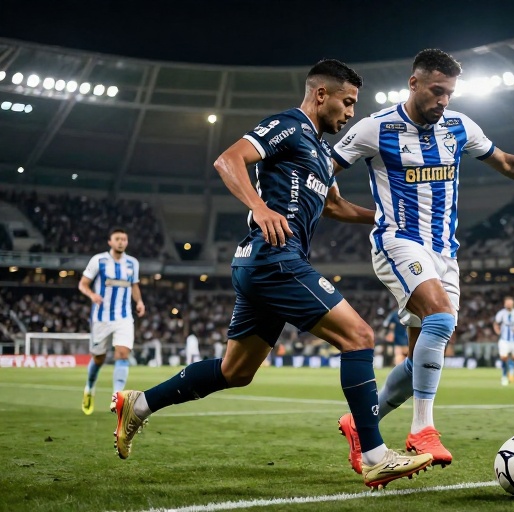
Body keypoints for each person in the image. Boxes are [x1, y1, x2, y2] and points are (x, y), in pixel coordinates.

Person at [110, 59, 432, 489]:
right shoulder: (291, 125)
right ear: (322, 94)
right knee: (360, 337)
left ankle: (140, 404)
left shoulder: (318, 150)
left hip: (261, 265)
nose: (351, 112)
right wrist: (259, 208)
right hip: (274, 258)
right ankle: (374, 455)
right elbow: (229, 161)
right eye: (347, 102)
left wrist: (387, 220)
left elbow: (336, 207)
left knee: (236, 372)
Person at [332, 49, 514, 471]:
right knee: (439, 319)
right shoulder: (375, 128)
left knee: (419, 356)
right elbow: (322, 168)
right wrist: (315, 205)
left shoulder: (459, 126)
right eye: (436, 91)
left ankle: (360, 422)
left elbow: (507, 162)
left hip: (445, 253)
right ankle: (423, 430)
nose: (443, 100)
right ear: (414, 83)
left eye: (449, 93)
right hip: (398, 242)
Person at [78, 228, 145, 415]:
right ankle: (89, 388)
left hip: (124, 317)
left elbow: (134, 285)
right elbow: (82, 284)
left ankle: (117, 397)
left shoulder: (132, 263)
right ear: (110, 242)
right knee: (98, 358)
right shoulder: (98, 261)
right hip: (102, 318)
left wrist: (139, 301)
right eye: (117, 239)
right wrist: (92, 295)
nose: (121, 242)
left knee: (122, 353)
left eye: (124, 239)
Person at [493, 296, 514, 386]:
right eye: (507, 303)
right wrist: (497, 331)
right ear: (504, 304)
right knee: (504, 357)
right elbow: (496, 323)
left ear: (513, 304)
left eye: (510, 303)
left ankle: (511, 372)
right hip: (504, 340)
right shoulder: (501, 313)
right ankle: (504, 376)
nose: (508, 304)